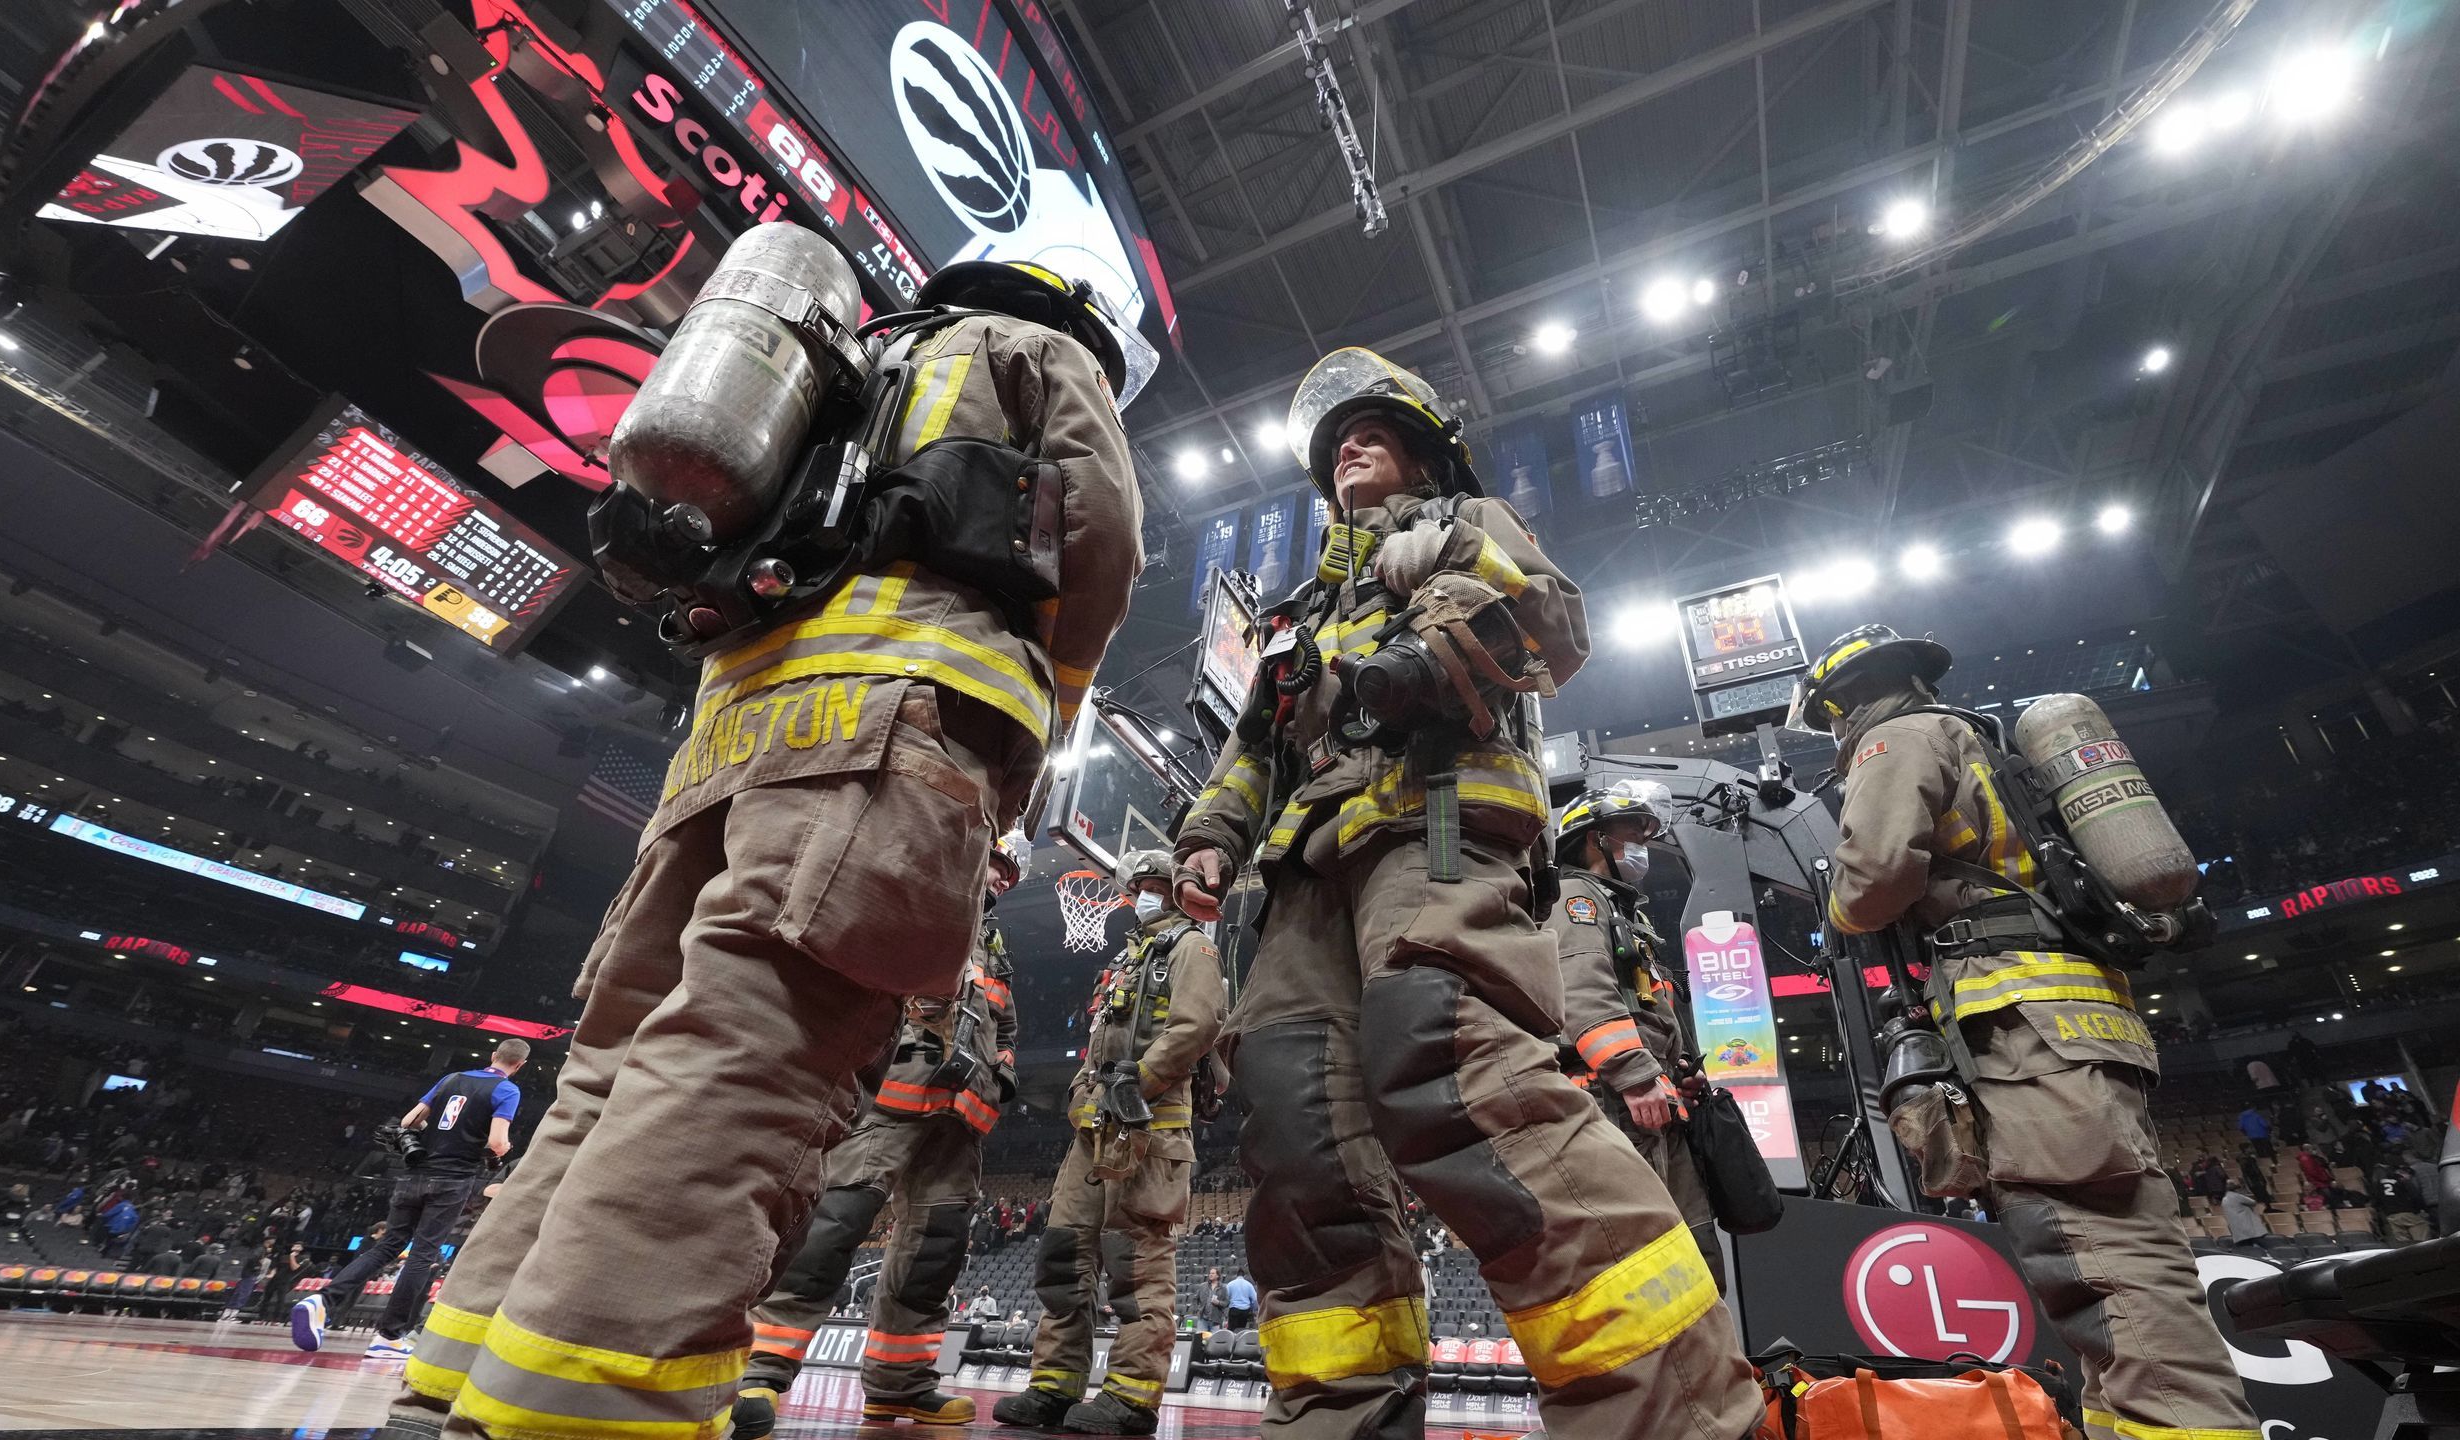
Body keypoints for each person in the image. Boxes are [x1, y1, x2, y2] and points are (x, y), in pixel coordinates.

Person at [382, 260, 1146, 1440]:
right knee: (749, 1054)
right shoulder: (1038, 355)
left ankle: (453, 1383)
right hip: (885, 726)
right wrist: (1040, 724)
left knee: (610, 1070)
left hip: (723, 743)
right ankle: (593, 1413)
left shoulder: (854, 364)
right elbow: (1102, 544)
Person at [1169, 349, 1760, 1439]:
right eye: (1333, 442)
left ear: (1428, 453)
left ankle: (1677, 1414)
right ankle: (1340, 1418)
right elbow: (1254, 747)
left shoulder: (1462, 523)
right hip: (1303, 875)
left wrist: (1414, 653)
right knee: (1298, 1131)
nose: (1347, 446)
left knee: (1454, 1076)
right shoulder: (1300, 611)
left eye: (1372, 430)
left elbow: (1549, 619)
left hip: (1431, 826)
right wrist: (1209, 835)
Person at [1801, 622, 2257, 1440]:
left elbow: (1872, 882)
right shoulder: (1978, 737)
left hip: (2023, 1025)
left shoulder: (1895, 740)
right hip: (2074, 1023)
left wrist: (1835, 907)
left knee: (2104, 1263)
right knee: (2095, 1269)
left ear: (1841, 704)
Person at [733, 838, 1024, 1436]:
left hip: (960, 1119)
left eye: (1007, 877)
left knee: (935, 1251)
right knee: (833, 1226)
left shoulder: (993, 945)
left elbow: (1005, 1024)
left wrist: (1001, 1074)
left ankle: (902, 1386)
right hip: (892, 1094)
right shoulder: (919, 899)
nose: (999, 881)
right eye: (995, 869)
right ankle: (758, 1368)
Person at [993, 851, 1225, 1435]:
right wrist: (1081, 1096)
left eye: (1153, 886)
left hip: (1150, 1129)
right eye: (1137, 886)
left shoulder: (1192, 949)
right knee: (1063, 1254)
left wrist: (1137, 1082)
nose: (1142, 895)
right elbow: (1098, 1042)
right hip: (1094, 1133)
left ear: (1174, 890)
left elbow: (1197, 1026)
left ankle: (1131, 1395)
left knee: (1135, 1262)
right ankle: (1054, 1384)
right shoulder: (1125, 959)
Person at [1548, 778, 1725, 1291]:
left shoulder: (1625, 912)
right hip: (1617, 1103)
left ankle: (1706, 1343)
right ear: (1594, 839)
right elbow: (1581, 990)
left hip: (1653, 1101)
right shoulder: (1575, 897)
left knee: (1691, 1248)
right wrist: (1635, 1075)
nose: (1642, 847)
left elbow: (1652, 1008)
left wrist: (1678, 1070)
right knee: (1645, 1252)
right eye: (1633, 834)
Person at [296, 1039, 526, 1359]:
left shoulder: (451, 1079)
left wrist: (441, 1133)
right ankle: (389, 1337)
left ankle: (322, 1300)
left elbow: (409, 1122)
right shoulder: (507, 1091)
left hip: (414, 1175)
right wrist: (501, 1149)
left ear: (493, 1055)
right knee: (422, 1255)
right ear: (519, 1065)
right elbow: (497, 1142)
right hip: (452, 1180)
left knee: (387, 1246)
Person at [2372, 1158, 2430, 1243]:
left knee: (2403, 1241)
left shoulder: (2380, 1183)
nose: (2409, 1178)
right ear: (2402, 1173)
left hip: (2391, 1216)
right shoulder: (2402, 1181)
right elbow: (2415, 1196)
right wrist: (2422, 1209)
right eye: (2409, 1175)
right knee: (2421, 1227)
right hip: (2406, 1212)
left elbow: (2377, 1200)